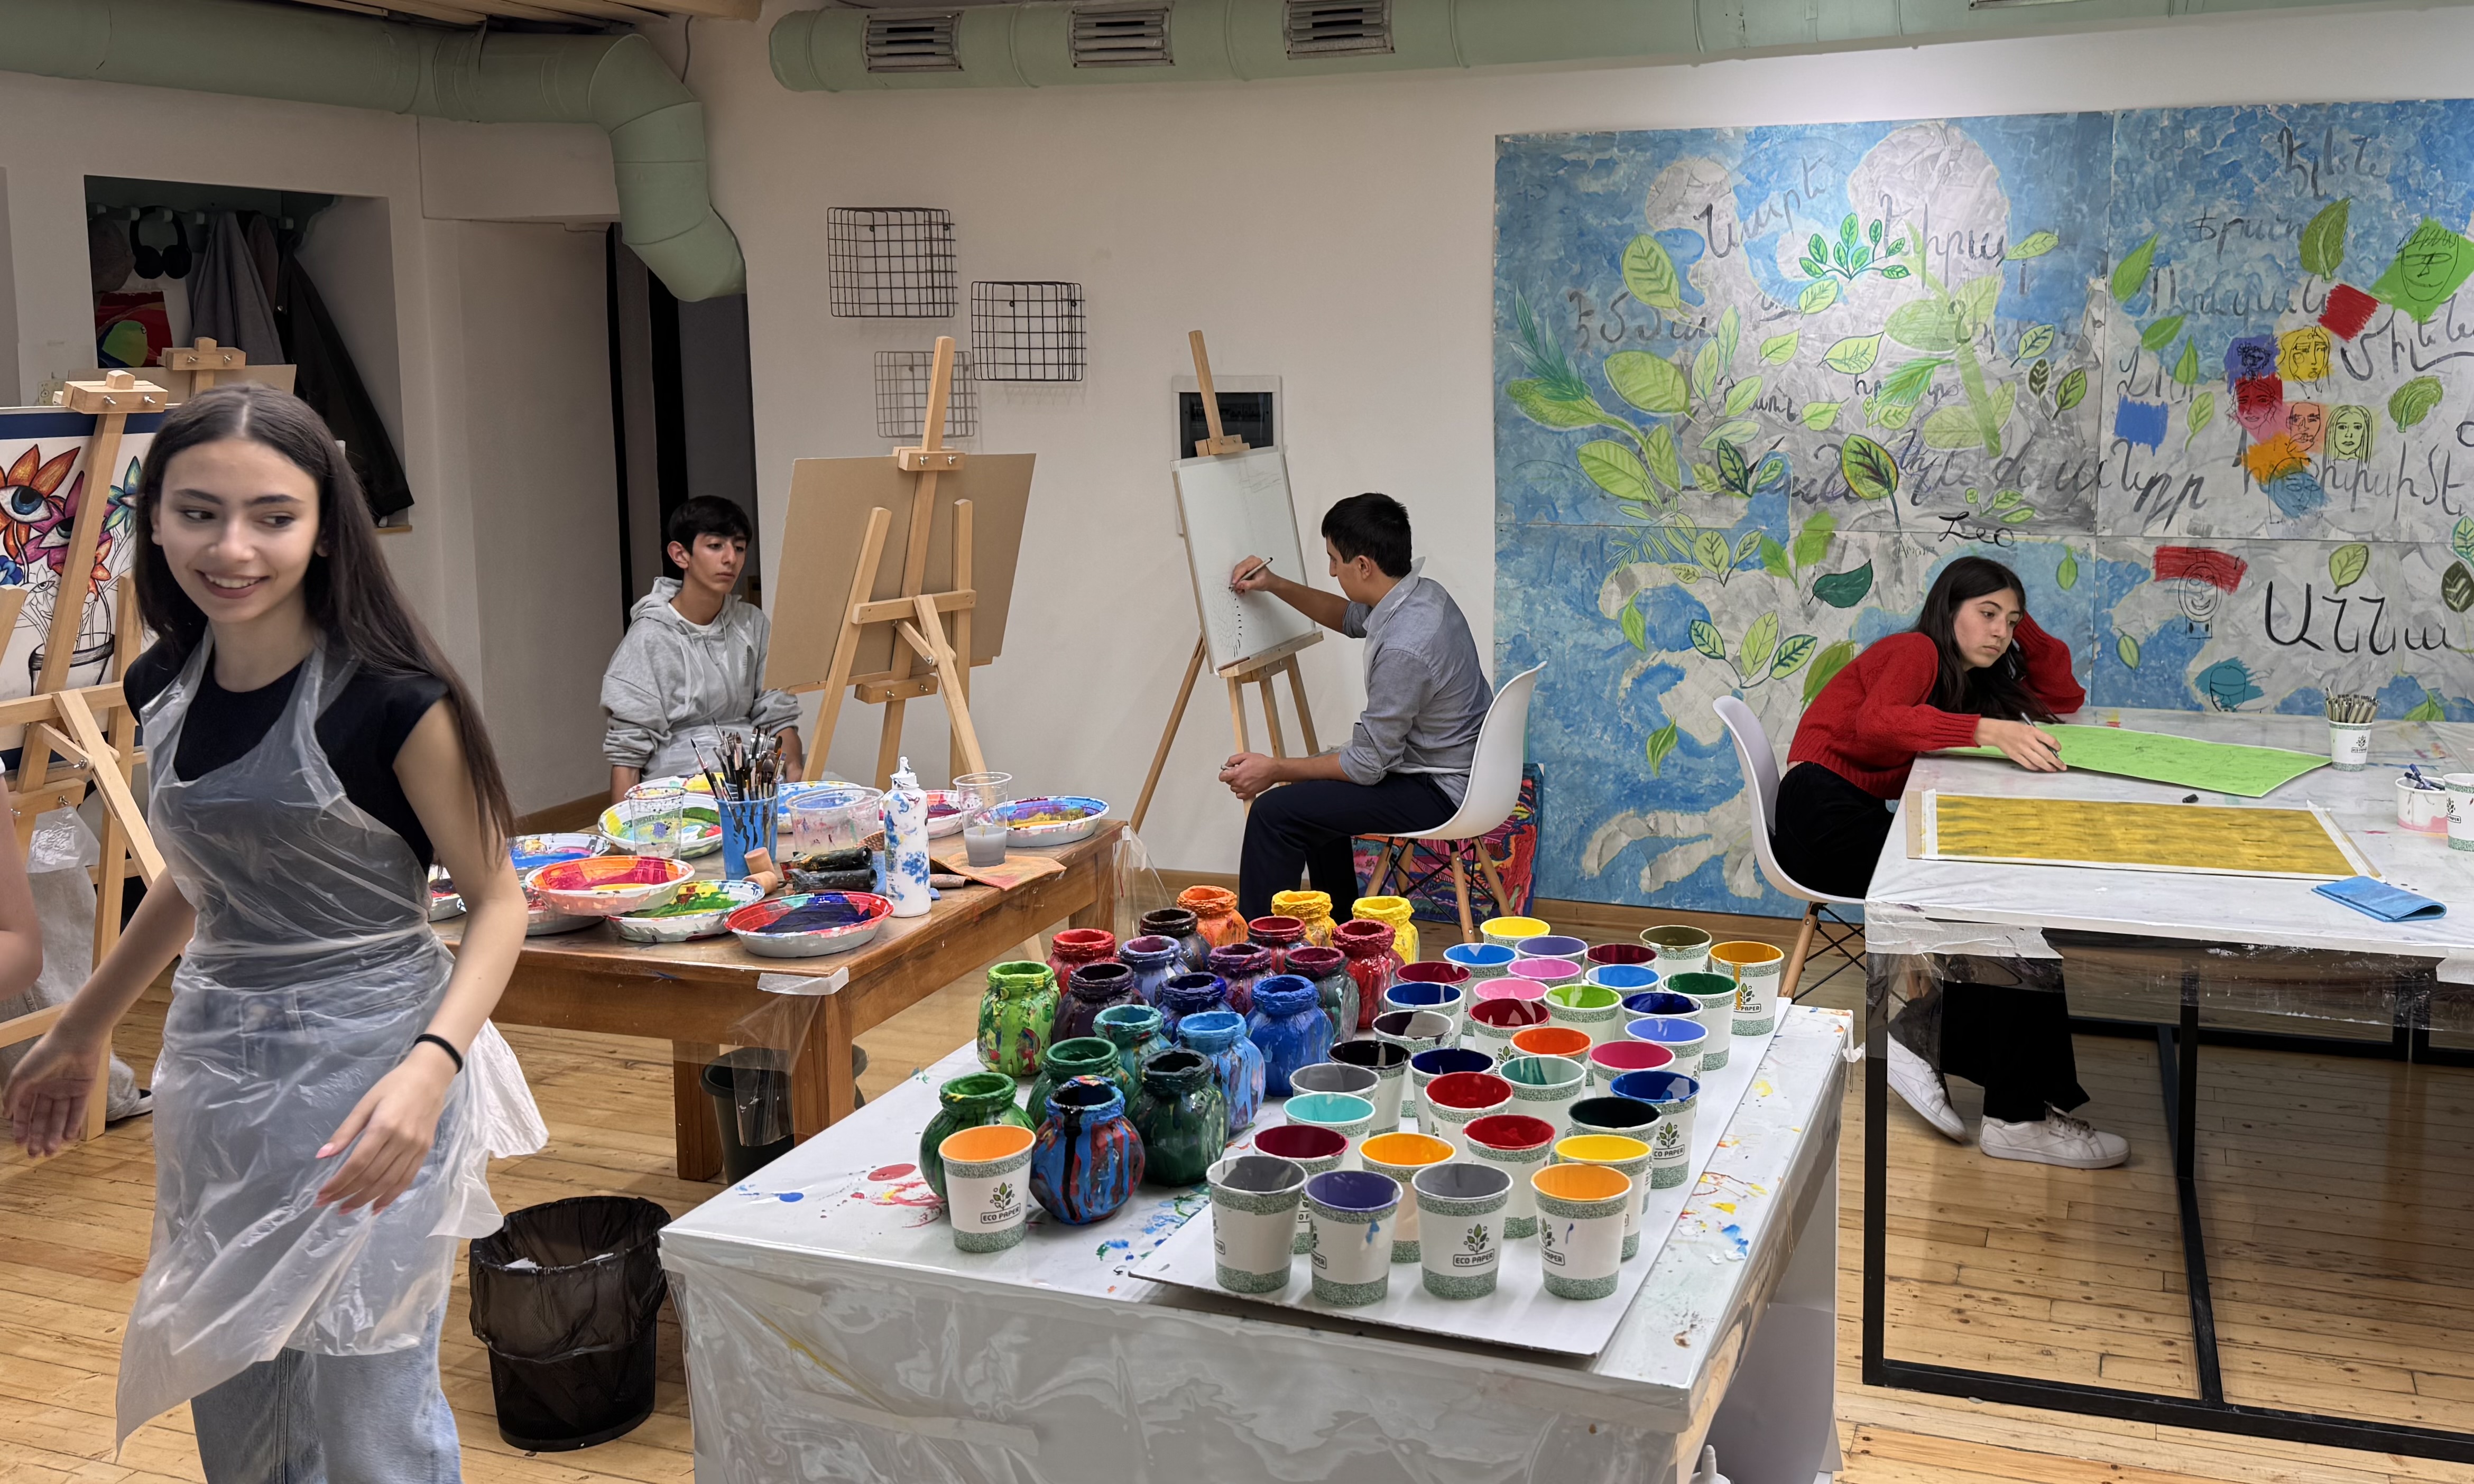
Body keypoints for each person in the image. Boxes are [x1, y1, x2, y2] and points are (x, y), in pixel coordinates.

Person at [2, 383, 546, 1477]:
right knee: (234, 1384)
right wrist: (81, 1028)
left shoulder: (393, 700)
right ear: (156, 522)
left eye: (273, 516)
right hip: (222, 1082)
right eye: (199, 513)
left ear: (325, 528)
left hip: (378, 1077)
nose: (233, 547)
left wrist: (429, 1070)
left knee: (365, 1409)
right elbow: (203, 877)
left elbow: (500, 901)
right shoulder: (161, 681)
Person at [1773, 554, 2128, 1171]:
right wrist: (1987, 732)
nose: (2000, 632)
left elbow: (2064, 698)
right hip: (1823, 816)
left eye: (2010, 622)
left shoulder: (1967, 679)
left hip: (1846, 811)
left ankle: (1948, 1057)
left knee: (2006, 901)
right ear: (1948, 609)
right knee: (1997, 905)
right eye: (1987, 614)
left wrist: (2017, 619)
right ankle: (2000, 1104)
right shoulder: (1917, 650)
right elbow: (1877, 723)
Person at [1221, 493, 1490, 922]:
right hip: (1461, 769)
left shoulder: (1405, 646)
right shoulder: (1422, 595)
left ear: (1363, 566)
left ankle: (1261, 949)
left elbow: (1367, 766)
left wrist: (1274, 769)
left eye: (1334, 560)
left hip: (1441, 790)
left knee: (1275, 813)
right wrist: (1274, 584)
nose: (1331, 571)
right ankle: (1340, 930)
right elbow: (1349, 618)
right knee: (1312, 798)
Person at [602, 495, 804, 800]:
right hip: (680, 787)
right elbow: (629, 751)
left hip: (754, 781)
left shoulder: (753, 624)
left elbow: (778, 716)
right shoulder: (650, 636)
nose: (730, 559)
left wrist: (794, 774)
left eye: (739, 548)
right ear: (680, 555)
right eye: (715, 546)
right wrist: (622, 825)